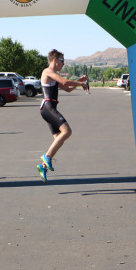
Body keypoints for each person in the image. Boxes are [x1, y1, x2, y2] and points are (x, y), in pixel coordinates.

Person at [37, 49, 88, 182]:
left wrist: (78, 81)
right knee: (67, 131)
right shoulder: (47, 71)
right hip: (48, 107)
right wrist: (81, 83)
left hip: (49, 108)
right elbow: (65, 82)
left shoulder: (53, 75)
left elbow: (68, 88)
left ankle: (43, 166)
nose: (63, 64)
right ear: (54, 60)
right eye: (62, 61)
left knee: (58, 139)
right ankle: (46, 157)